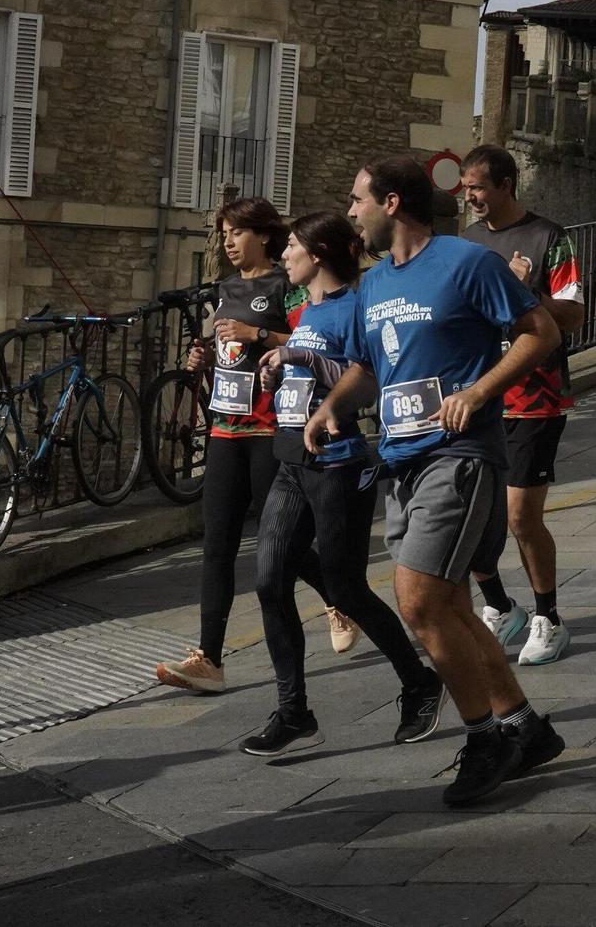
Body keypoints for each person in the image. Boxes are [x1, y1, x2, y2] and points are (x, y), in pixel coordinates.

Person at [304, 156, 566, 807]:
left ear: (392, 202)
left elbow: (541, 332)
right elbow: (370, 367)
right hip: (402, 463)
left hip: (461, 455)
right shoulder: (372, 285)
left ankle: (485, 740)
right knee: (448, 609)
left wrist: (478, 391)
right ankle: (524, 729)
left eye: (357, 198)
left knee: (418, 602)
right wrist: (333, 404)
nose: (351, 210)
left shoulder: (466, 262)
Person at [242, 212, 445, 756]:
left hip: (337, 465)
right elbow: (309, 372)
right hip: (291, 461)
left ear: (318, 254)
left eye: (292, 247)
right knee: (269, 582)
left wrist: (303, 356)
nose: (284, 255)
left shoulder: (355, 306)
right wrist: (278, 373)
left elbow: (370, 377)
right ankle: (293, 713)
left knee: (347, 589)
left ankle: (419, 682)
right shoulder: (305, 308)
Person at [156, 197, 337, 696]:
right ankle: (209, 660)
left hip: (268, 429)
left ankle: (339, 596)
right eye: (224, 234)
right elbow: (229, 352)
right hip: (224, 428)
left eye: (236, 232)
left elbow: (308, 341)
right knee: (217, 547)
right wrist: (204, 358)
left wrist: (256, 332)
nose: (228, 242)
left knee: (280, 541)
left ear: (263, 235)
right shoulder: (225, 289)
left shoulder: (286, 284)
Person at [458, 146, 586, 667]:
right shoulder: (466, 242)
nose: (470, 196)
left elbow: (573, 314)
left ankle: (548, 617)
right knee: (467, 514)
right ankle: (498, 606)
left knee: (520, 516)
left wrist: (516, 291)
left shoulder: (549, 237)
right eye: (466, 188)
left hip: (536, 398)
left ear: (506, 184)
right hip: (478, 396)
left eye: (478, 187)